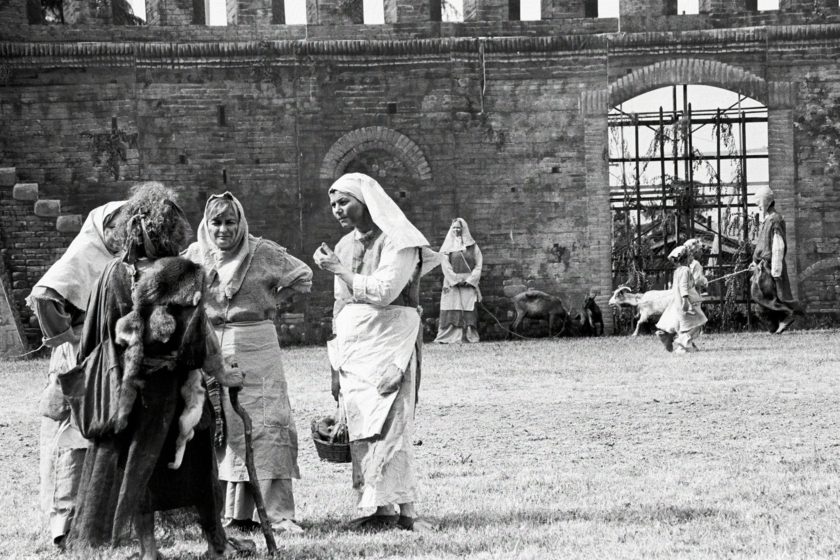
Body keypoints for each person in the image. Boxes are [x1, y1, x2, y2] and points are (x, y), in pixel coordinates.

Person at [60, 182, 253, 560]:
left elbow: (96, 336)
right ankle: (216, 544)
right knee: (196, 468)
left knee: (139, 473)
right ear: (170, 230)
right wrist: (222, 373)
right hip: (178, 393)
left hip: (130, 395)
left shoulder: (113, 274)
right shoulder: (183, 274)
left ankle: (151, 551)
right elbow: (201, 341)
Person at [313, 172, 439, 532]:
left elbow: (384, 291)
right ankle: (376, 509)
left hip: (390, 341)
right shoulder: (342, 246)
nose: (338, 209)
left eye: (344, 201)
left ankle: (407, 512)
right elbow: (339, 304)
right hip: (355, 348)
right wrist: (334, 366)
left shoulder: (399, 242)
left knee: (393, 424)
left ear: (365, 201)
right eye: (333, 204)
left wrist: (339, 270)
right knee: (362, 427)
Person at [184, 192, 313, 535]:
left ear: (240, 223)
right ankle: (233, 513)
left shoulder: (262, 251)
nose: (223, 229)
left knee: (268, 422)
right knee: (224, 426)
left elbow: (303, 276)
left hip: (258, 345)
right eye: (216, 222)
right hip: (214, 346)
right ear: (207, 225)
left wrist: (271, 299)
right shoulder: (196, 255)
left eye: (230, 222)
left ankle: (277, 512)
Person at [28, 200, 124, 548]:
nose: (121, 234)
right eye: (115, 227)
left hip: (105, 356)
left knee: (98, 438)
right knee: (70, 439)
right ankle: (62, 526)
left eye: (126, 227)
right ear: (101, 227)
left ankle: (94, 522)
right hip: (75, 359)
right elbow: (44, 294)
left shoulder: (119, 261)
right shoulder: (84, 252)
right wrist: (66, 336)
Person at [750, 186, 803, 334]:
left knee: (763, 294)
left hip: (769, 265)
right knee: (762, 295)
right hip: (762, 265)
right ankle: (774, 325)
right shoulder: (768, 219)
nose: (757, 205)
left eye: (759, 202)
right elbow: (763, 244)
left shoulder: (775, 220)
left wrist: (776, 268)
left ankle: (787, 314)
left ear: (765, 201)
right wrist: (755, 262)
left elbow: (778, 245)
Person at [434, 218, 483, 343]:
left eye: (458, 227)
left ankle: (469, 335)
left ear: (463, 229)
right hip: (452, 283)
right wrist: (455, 280)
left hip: (468, 282)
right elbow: (445, 264)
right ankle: (449, 336)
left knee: (468, 307)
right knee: (451, 305)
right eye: (454, 227)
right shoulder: (447, 246)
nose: (456, 230)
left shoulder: (472, 246)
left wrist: (470, 280)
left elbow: (479, 264)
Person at [655, 244, 707, 354]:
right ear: (686, 258)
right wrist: (685, 300)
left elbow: (679, 287)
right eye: (689, 256)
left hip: (679, 303)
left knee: (685, 325)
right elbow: (683, 286)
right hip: (689, 302)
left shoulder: (677, 271)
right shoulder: (686, 270)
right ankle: (683, 339)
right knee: (701, 321)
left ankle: (682, 348)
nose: (691, 258)